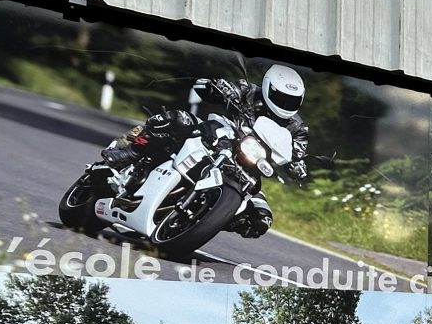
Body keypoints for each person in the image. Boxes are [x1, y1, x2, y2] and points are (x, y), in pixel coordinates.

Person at [100, 66, 310, 235]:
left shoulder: (297, 127)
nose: (285, 104)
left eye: (291, 101)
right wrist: (218, 87)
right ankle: (130, 151)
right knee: (178, 119)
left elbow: (297, 153)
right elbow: (204, 86)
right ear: (267, 88)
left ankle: (204, 221)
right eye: (281, 98)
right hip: (220, 136)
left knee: (262, 218)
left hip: (250, 165)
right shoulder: (248, 91)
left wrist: (298, 166)